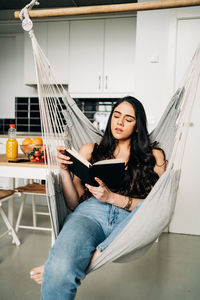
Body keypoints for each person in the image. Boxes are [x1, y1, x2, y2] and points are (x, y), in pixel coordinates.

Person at [30, 96, 166, 299]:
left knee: (61, 268)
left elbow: (157, 206)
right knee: (58, 272)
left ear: (138, 127)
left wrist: (112, 197)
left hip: (130, 220)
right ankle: (61, 267)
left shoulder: (154, 156)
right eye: (116, 116)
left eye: (128, 119)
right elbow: (73, 203)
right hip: (89, 215)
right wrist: (65, 172)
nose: (119, 123)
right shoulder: (90, 150)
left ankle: (75, 262)